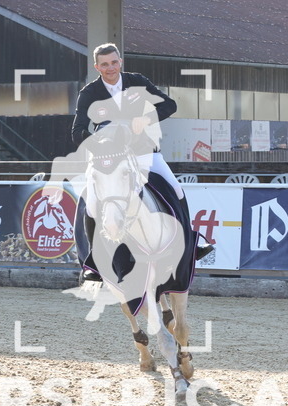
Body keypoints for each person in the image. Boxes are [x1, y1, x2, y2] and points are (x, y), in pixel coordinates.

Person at [67, 42, 212, 281]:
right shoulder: (89, 93)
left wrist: (146, 118)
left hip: (144, 153)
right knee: (91, 203)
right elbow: (77, 132)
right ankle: (94, 260)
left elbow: (170, 105)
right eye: (104, 64)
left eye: (114, 62)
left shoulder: (138, 81)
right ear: (97, 67)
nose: (110, 67)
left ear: (120, 62)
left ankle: (192, 242)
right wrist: (101, 141)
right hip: (108, 160)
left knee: (176, 189)